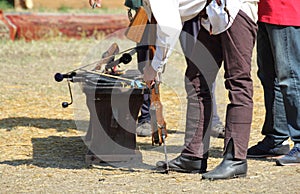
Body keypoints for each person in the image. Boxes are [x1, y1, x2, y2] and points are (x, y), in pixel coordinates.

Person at [89, 0, 258, 180]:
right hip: (212, 15)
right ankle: (194, 156)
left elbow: (170, 28)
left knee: (237, 82)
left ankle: (236, 159)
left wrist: (155, 68)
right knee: (196, 80)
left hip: (235, 9)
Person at [247, 0, 300, 166]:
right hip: (264, 12)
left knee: (290, 78)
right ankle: (276, 138)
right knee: (268, 77)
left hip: (286, 12)